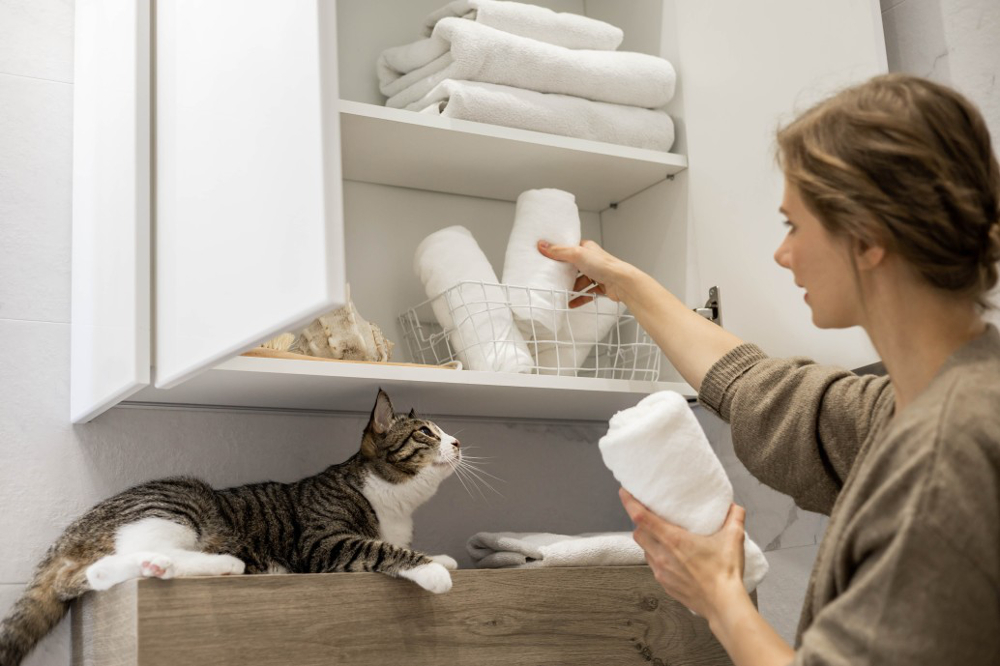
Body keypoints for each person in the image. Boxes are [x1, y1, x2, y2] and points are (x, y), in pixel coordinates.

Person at [539, 73, 1000, 665]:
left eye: (794, 225)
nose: (783, 254)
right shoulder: (932, 399)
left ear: (868, 236)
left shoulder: (948, 453)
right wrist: (628, 285)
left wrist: (718, 594)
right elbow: (770, 394)